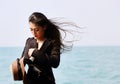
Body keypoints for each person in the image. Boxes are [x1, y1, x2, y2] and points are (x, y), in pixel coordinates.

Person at [21, 12, 67, 84]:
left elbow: (55, 62)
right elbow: (22, 62)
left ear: (44, 27)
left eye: (37, 30)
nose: (33, 33)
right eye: (31, 29)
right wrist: (16, 66)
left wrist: (36, 53)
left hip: (47, 81)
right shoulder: (29, 42)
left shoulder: (53, 42)